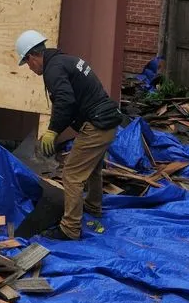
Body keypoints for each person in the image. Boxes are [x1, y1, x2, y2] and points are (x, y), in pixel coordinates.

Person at [15, 29, 122, 240]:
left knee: (72, 174)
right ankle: (93, 206)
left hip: (97, 125)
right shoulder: (65, 61)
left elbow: (65, 101)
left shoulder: (53, 70)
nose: (30, 68)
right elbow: (71, 101)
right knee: (92, 168)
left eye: (27, 63)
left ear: (32, 56)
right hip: (106, 121)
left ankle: (70, 228)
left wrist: (53, 130)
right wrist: (56, 129)